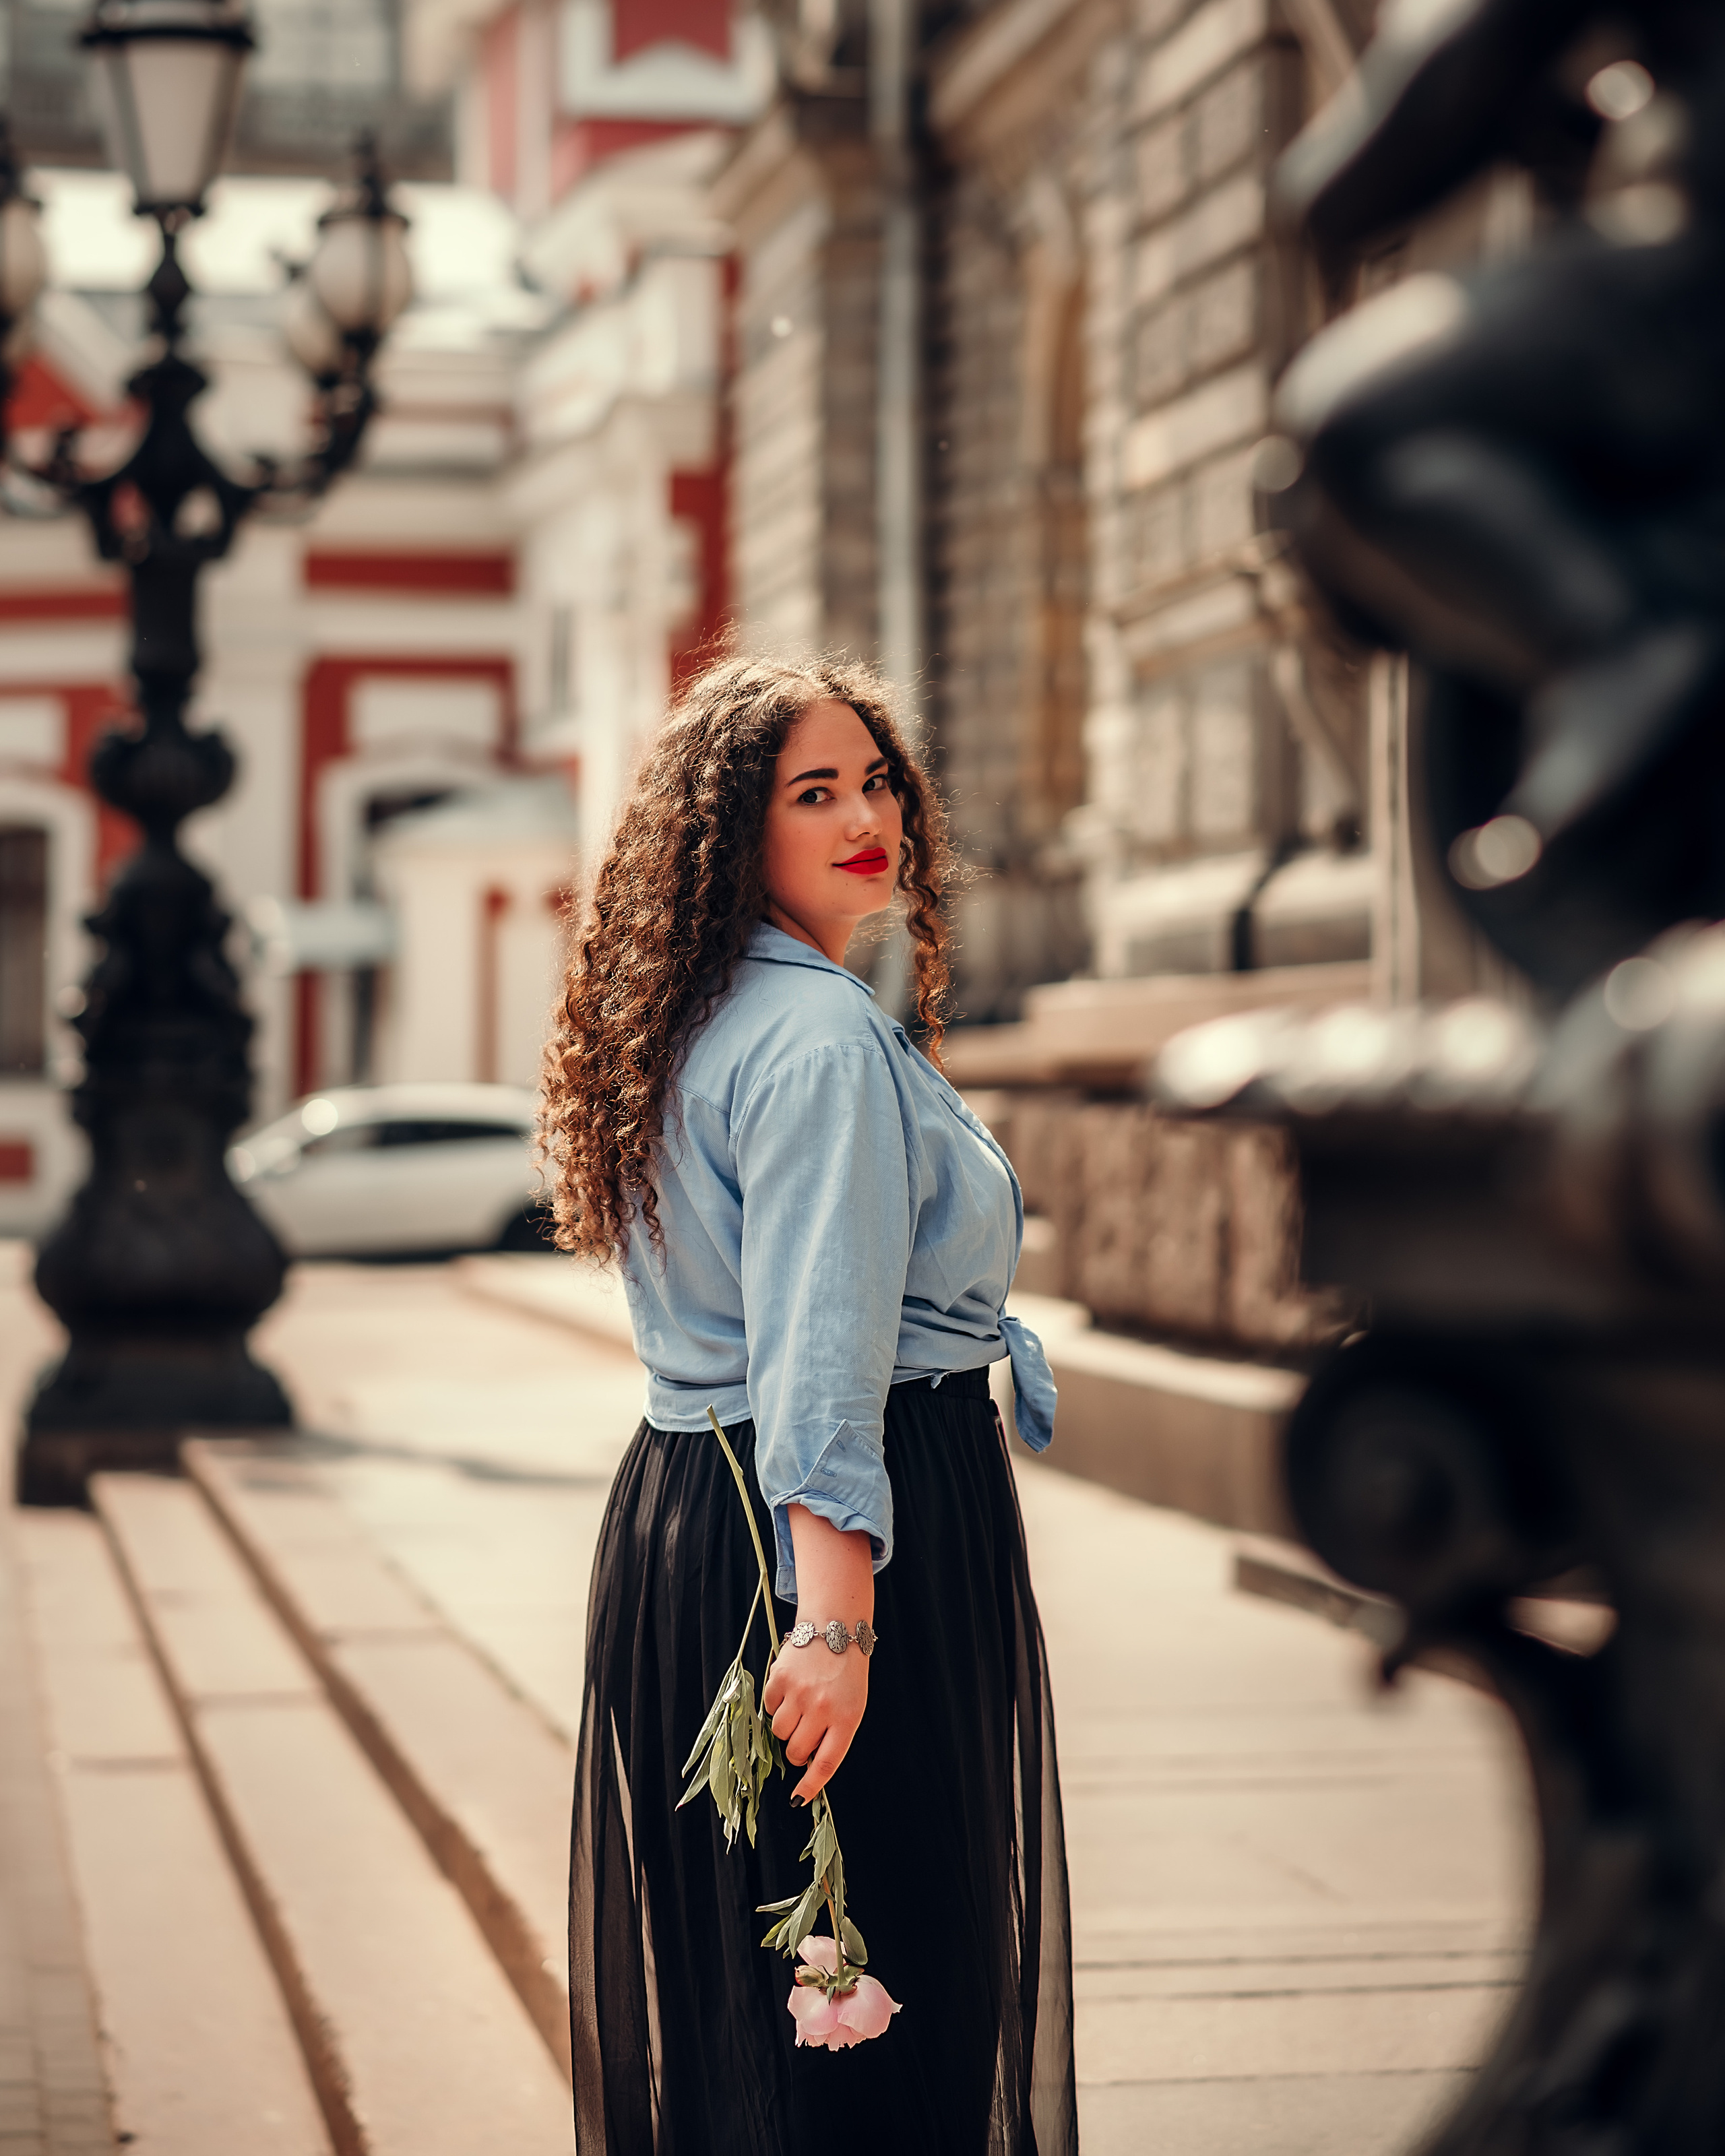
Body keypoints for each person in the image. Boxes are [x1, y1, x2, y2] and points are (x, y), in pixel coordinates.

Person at [541, 654, 1078, 2156]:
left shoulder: (698, 1013)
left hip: (688, 1513)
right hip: (823, 1538)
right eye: (815, 792)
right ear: (732, 828)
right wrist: (833, 1622)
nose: (866, 820)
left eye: (878, 782)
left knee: (754, 2025)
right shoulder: (822, 1040)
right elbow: (818, 1347)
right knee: (878, 2021)